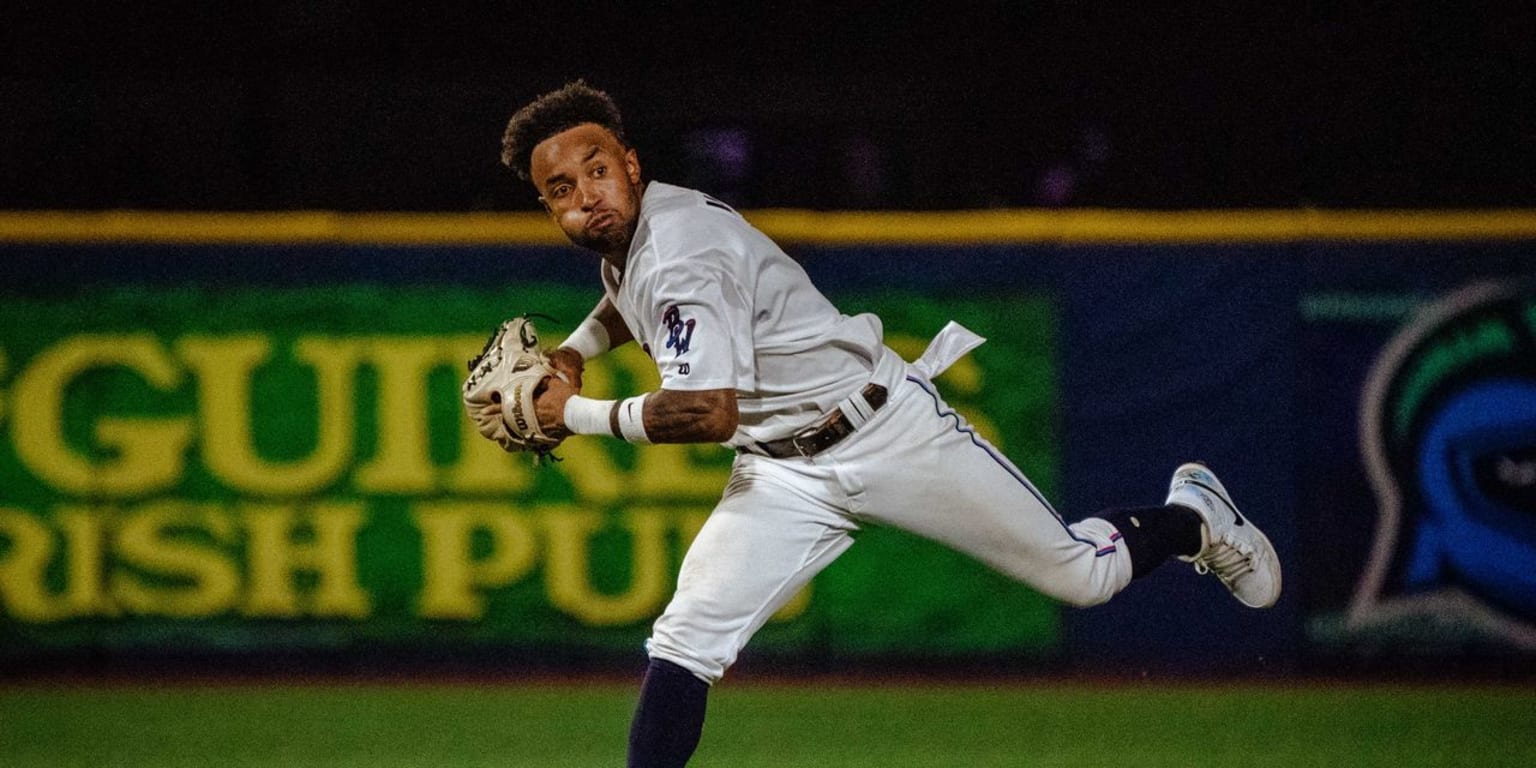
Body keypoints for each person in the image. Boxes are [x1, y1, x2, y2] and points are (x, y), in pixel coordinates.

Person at [499, 80, 1281, 768]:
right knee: (686, 638)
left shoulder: (680, 251)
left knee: (1084, 575)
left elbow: (708, 411)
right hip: (783, 473)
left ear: (631, 164)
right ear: (547, 206)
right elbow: (629, 296)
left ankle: (1192, 519)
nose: (586, 195)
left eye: (598, 170)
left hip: (885, 432)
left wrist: (574, 412)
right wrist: (573, 351)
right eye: (562, 188)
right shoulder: (639, 239)